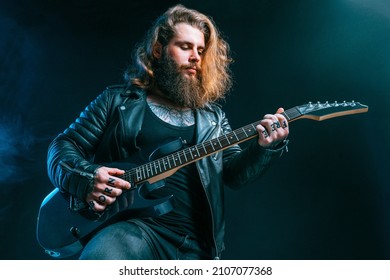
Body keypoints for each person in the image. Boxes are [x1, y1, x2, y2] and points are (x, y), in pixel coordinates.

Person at [47, 4, 289, 260]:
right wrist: (86, 177)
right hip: (131, 233)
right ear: (158, 49)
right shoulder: (117, 101)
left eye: (200, 50)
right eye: (185, 46)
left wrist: (266, 147)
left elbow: (234, 174)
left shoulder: (213, 118)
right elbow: (63, 145)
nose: (195, 56)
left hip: (198, 245)